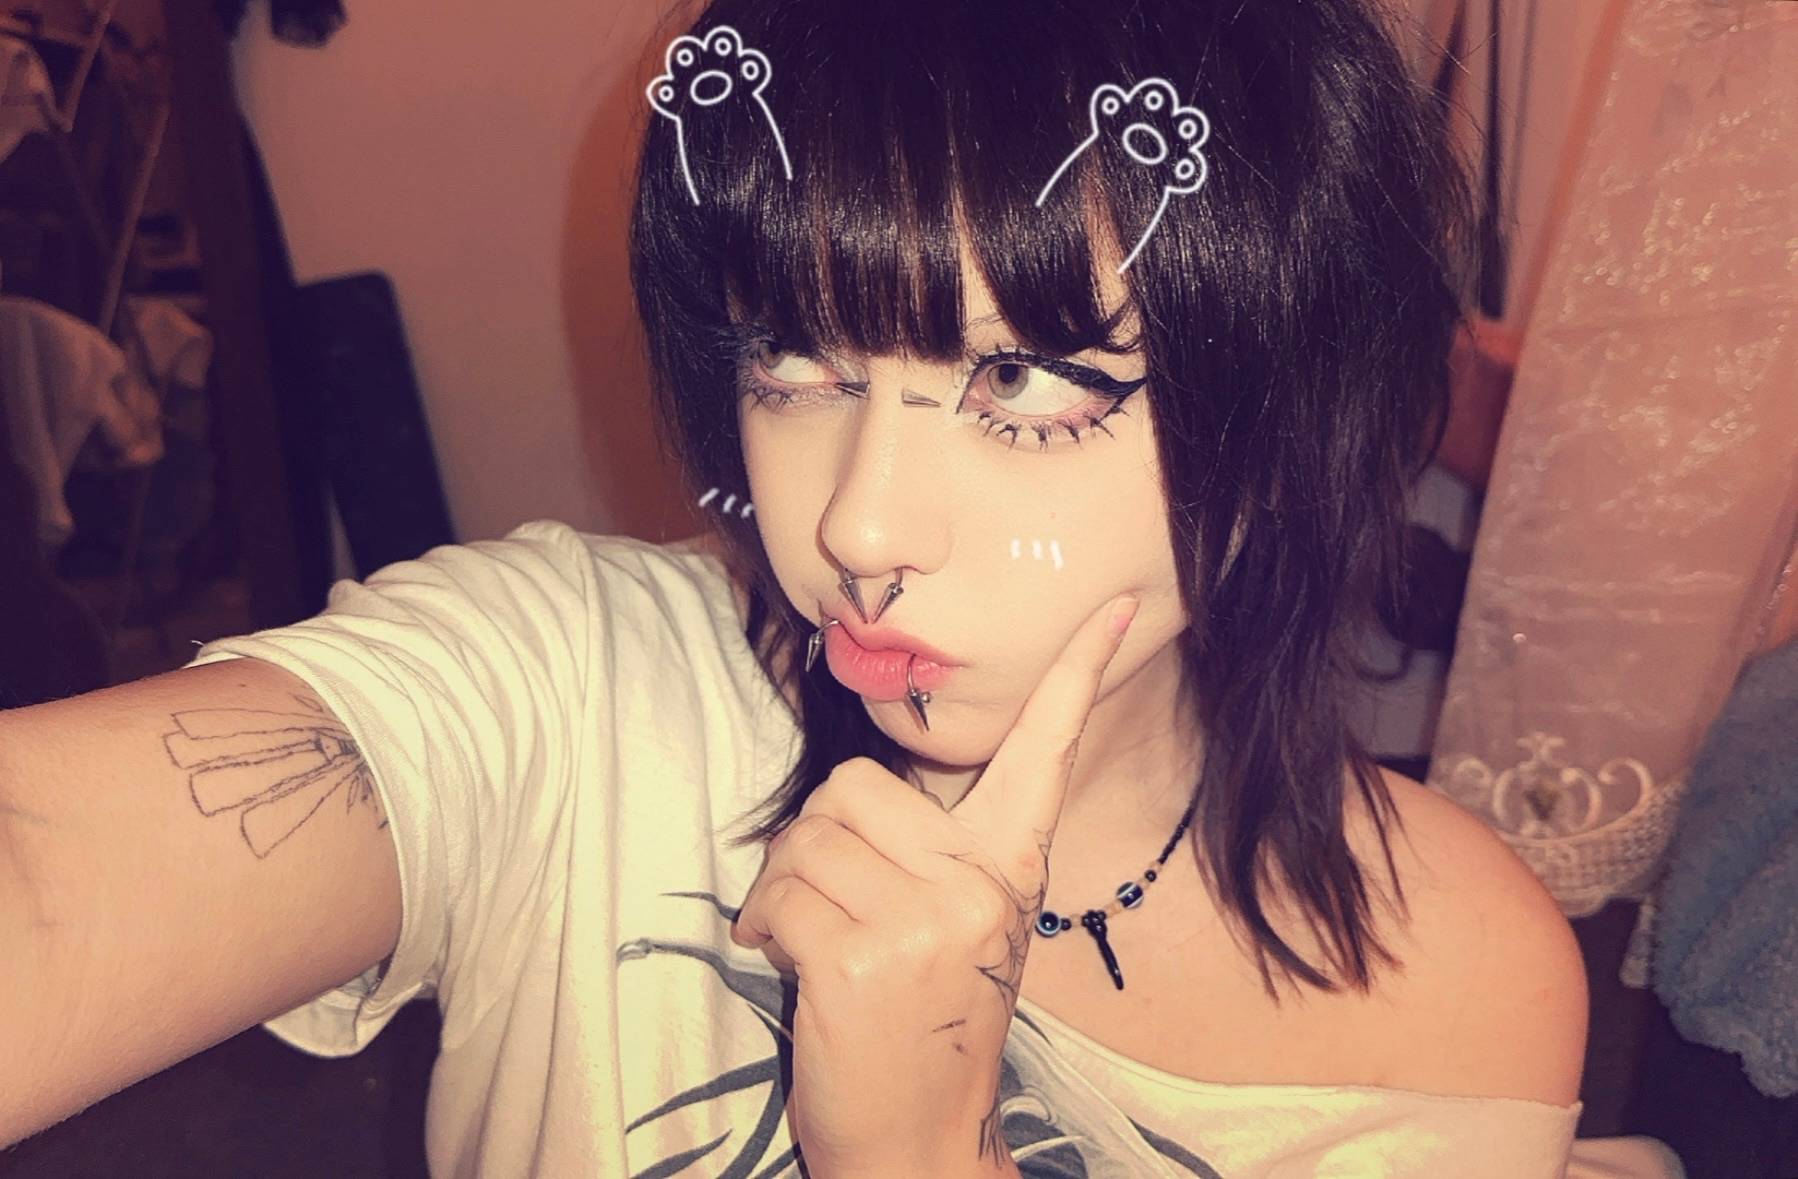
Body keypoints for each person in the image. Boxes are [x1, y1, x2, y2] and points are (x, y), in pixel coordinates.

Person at [0, 0, 1589, 1174]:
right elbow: (47, 879)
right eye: (794, 359)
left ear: (1293, 409)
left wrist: (912, 1158)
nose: (854, 523)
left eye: (1024, 379)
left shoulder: (1448, 975)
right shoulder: (573, 689)